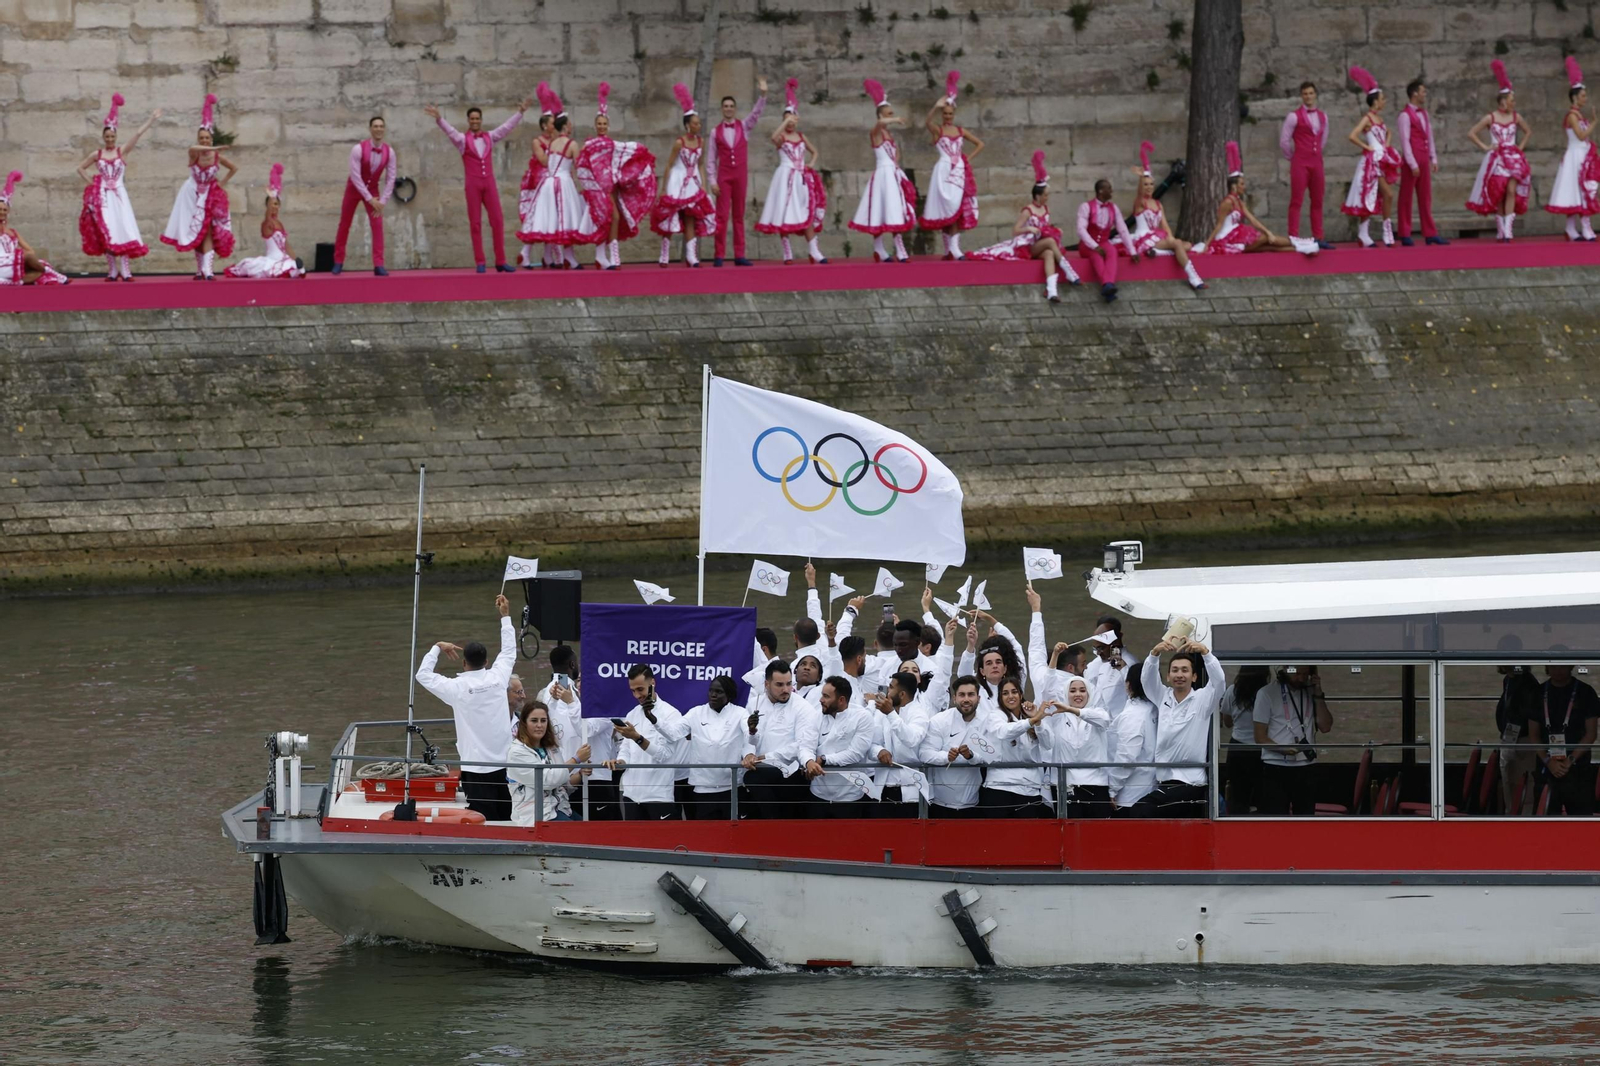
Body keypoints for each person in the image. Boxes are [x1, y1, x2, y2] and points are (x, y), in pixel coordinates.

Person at [415, 594, 518, 820]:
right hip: (505, 764)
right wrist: (505, 617)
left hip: (475, 767)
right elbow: (509, 651)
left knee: (481, 819)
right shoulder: (498, 678)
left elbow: (422, 675)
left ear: (464, 662)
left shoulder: (456, 688)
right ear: (487, 662)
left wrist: (437, 648)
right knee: (509, 816)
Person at [424, 97, 531, 273]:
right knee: (475, 223)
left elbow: (506, 128)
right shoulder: (462, 140)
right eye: (472, 119)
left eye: (477, 118)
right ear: (468, 121)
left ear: (481, 120)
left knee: (497, 220)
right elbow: (450, 131)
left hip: (489, 183)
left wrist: (520, 113)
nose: (475, 121)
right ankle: (480, 261)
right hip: (472, 184)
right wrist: (439, 119)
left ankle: (500, 260)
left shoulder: (489, 137)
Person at [968, 150, 1080, 302]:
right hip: (1027, 246)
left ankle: (1051, 291)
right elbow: (1015, 231)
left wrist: (1054, 229)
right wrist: (1029, 228)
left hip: (1038, 244)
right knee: (1051, 243)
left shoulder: (1045, 209)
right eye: (1046, 195)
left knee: (1049, 253)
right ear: (1038, 196)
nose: (1047, 198)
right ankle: (1069, 271)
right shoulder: (1028, 211)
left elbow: (1044, 228)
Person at [1135, 636, 1224, 816]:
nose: (1180, 675)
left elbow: (1219, 682)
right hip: (1164, 781)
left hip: (1191, 783)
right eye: (1175, 670)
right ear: (1168, 676)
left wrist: (1206, 653)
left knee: (1141, 810)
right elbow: (1147, 681)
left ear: (1194, 676)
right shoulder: (1163, 697)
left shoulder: (1203, 699)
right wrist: (1154, 654)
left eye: (1185, 670)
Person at [575, 82, 658, 270]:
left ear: (608, 126)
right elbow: (581, 164)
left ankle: (605, 256)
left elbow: (622, 158)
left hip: (610, 189)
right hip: (598, 190)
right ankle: (609, 257)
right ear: (595, 126)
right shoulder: (590, 145)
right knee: (610, 218)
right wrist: (591, 186)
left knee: (611, 218)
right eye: (599, 124)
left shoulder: (613, 145)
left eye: (604, 124)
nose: (602, 126)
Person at [77, 93, 159, 282]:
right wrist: (93, 184)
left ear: (115, 136)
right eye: (107, 136)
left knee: (123, 228)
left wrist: (151, 120)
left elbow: (137, 134)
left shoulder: (121, 151)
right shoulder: (97, 154)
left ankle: (126, 269)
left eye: (112, 136)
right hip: (104, 197)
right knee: (108, 229)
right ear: (103, 137)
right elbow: (80, 168)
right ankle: (112, 270)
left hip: (119, 195)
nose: (110, 139)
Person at [159, 93, 236, 280]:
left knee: (208, 228)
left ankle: (207, 269)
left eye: (207, 138)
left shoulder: (216, 156)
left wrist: (220, 184)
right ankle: (200, 268)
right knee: (195, 230)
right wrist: (213, 148)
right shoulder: (195, 153)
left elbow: (234, 168)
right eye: (201, 138)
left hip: (209, 195)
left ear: (210, 138)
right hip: (192, 194)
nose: (204, 141)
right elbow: (193, 149)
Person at [755, 78, 828, 264]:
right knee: (784, 212)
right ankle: (787, 252)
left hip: (801, 177)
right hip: (785, 176)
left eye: (793, 119)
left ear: (797, 119)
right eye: (787, 119)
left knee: (807, 212)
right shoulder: (781, 137)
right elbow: (773, 137)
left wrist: (811, 162)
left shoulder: (801, 136)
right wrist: (784, 120)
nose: (790, 123)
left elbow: (815, 151)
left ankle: (814, 251)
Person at [606, 663, 689, 821]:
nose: (637, 695)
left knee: (662, 845)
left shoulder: (671, 714)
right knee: (633, 845)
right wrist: (619, 761)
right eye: (633, 691)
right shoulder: (632, 714)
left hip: (658, 796)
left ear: (652, 683)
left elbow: (664, 756)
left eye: (640, 689)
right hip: (631, 795)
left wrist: (637, 737)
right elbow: (626, 749)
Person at [849, 78, 918, 263]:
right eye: (888, 114)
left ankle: (896, 248)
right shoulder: (877, 132)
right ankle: (881, 248)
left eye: (892, 113)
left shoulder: (888, 134)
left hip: (892, 174)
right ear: (881, 115)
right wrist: (893, 119)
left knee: (896, 209)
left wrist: (897, 163)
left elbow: (893, 155)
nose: (892, 116)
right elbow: (878, 127)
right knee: (880, 210)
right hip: (883, 175)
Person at [1201, 142, 1312, 256]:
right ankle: (1300, 243)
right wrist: (1207, 244)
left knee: (1269, 246)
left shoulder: (1239, 202)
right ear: (1234, 186)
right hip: (1228, 240)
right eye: (1242, 184)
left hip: (1237, 236)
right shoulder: (1227, 202)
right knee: (1265, 239)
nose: (1244, 187)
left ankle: (1301, 247)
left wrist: (1268, 232)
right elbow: (1219, 225)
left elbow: (1252, 220)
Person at [1466, 60, 1532, 242]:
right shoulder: (1491, 117)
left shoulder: (1516, 117)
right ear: (1503, 101)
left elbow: (1528, 131)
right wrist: (1486, 146)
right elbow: (1471, 133)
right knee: (1500, 192)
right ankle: (1501, 227)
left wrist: (1520, 147)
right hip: (1497, 158)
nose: (1514, 103)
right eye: (1511, 100)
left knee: (1511, 189)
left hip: (1513, 157)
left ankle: (1508, 229)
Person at [520, 88, 586, 271]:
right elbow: (580, 168)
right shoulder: (572, 144)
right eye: (570, 123)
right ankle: (569, 258)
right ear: (565, 126)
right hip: (563, 183)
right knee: (566, 220)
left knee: (546, 220)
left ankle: (546, 256)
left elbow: (549, 163)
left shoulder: (552, 144)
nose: (572, 126)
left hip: (548, 182)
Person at [1253, 666, 1333, 815]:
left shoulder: (1310, 692)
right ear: (1285, 670)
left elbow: (1325, 726)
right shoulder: (1266, 693)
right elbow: (1259, 737)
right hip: (1276, 766)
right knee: (1276, 818)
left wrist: (1318, 694)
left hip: (1306, 766)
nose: (1301, 679)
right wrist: (1281, 749)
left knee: (1305, 819)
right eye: (1296, 674)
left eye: (1305, 674)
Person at [919, 71, 983, 259]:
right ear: (942, 114)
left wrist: (967, 159)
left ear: (954, 114)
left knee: (956, 206)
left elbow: (980, 144)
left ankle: (955, 248)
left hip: (958, 171)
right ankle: (949, 249)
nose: (947, 117)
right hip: (943, 171)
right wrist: (935, 106)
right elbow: (927, 122)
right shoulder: (938, 130)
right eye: (945, 114)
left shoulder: (961, 130)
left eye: (950, 114)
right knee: (947, 207)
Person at [651, 83, 716, 268]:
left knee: (691, 216)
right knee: (671, 215)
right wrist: (664, 187)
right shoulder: (679, 143)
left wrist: (703, 185)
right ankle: (664, 253)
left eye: (699, 123)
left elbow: (701, 164)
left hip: (693, 181)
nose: (698, 125)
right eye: (695, 123)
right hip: (678, 179)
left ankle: (691, 255)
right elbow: (670, 164)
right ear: (688, 125)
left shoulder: (701, 142)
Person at [1126, 143, 1206, 290]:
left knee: (1185, 244)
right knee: (1178, 245)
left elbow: (1165, 225)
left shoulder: (1157, 204)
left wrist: (1171, 239)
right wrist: (1142, 175)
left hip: (1157, 237)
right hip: (1145, 238)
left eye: (1151, 184)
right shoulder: (1140, 202)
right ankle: (1193, 277)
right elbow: (1139, 193)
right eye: (1146, 185)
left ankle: (1159, 253)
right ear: (1141, 186)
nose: (1149, 187)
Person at [1524, 662, 1599, 816]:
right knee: (1545, 822)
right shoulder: (1538, 693)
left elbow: (1590, 734)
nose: (1558, 670)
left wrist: (1569, 761)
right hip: (1547, 768)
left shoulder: (1586, 692)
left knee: (1580, 821)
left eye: (1562, 666)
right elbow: (1534, 735)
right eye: (1554, 666)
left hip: (1578, 770)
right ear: (1547, 667)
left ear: (1571, 666)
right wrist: (1548, 762)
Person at [707, 77, 768, 267]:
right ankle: (719, 255)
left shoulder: (744, 126)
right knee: (721, 216)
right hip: (723, 177)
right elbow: (710, 158)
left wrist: (763, 95)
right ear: (722, 109)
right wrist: (712, 181)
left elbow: (756, 113)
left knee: (739, 215)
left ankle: (740, 254)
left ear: (734, 108)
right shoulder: (714, 132)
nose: (728, 108)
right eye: (725, 106)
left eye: (731, 106)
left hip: (740, 176)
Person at [919, 676, 998, 817]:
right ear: (954, 698)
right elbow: (925, 753)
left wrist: (971, 755)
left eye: (971, 695)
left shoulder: (989, 721)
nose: (966, 699)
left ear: (978, 698)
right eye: (962, 695)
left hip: (974, 803)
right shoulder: (940, 720)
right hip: (939, 803)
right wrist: (946, 757)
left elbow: (992, 755)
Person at [797, 676, 875, 816]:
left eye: (826, 696)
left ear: (841, 700)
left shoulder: (862, 717)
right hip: (818, 795)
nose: (821, 700)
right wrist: (808, 761)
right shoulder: (817, 716)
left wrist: (824, 759)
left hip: (850, 798)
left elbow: (855, 754)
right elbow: (805, 745)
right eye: (822, 695)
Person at [1340, 67, 1401, 248]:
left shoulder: (1379, 120)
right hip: (1371, 162)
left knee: (1375, 196)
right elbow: (1352, 135)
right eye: (1382, 99)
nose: (1384, 101)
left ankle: (1365, 233)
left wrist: (1387, 140)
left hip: (1380, 160)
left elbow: (1385, 141)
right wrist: (1368, 148)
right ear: (1375, 101)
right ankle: (1384, 232)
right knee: (1385, 194)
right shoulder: (1367, 118)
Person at [979, 675, 1054, 817]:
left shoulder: (1029, 716)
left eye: (1014, 692)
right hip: (999, 787)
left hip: (1029, 788)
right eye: (1005, 693)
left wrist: (1037, 722)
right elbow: (1003, 732)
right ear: (1000, 697)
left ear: (1021, 694)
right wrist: (1032, 720)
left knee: (1026, 836)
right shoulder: (995, 715)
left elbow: (1048, 744)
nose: (1010, 696)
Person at [742, 660, 807, 818]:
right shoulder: (753, 704)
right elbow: (747, 737)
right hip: (759, 774)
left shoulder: (802, 707)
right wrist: (749, 754)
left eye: (789, 684)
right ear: (766, 684)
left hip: (789, 775)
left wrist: (768, 757)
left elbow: (802, 744)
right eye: (779, 685)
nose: (786, 690)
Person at [332, 116, 396, 276]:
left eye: (381, 126)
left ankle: (379, 264)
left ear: (384, 129)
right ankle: (338, 261)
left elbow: (391, 177)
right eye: (375, 126)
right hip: (354, 189)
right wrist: (369, 199)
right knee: (345, 223)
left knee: (378, 225)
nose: (379, 129)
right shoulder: (358, 149)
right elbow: (355, 176)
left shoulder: (390, 152)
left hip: (374, 190)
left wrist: (382, 201)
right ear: (370, 129)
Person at [1043, 677, 1114, 818]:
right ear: (1065, 694)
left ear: (1089, 694)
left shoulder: (1098, 713)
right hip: (1065, 786)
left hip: (1096, 784)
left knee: (1096, 834)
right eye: (1073, 690)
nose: (1078, 694)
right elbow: (1047, 688)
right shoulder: (1058, 717)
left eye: (1082, 690)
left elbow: (1105, 721)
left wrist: (1071, 709)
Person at [1547, 57, 1600, 241]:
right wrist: (1594, 123)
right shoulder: (1572, 116)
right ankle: (1583, 227)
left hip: (1582, 154)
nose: (1585, 98)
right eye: (1583, 96)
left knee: (1580, 191)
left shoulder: (1579, 115)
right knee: (1578, 191)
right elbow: (1580, 135)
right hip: (1575, 156)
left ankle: (1572, 228)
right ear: (1575, 97)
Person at [868, 668, 933, 817]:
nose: (887, 691)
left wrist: (891, 714)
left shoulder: (919, 714)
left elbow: (911, 739)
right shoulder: (881, 713)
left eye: (891, 687)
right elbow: (870, 744)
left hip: (910, 792)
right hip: (882, 789)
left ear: (902, 694)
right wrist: (879, 752)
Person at [681, 675, 747, 819]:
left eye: (719, 691)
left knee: (733, 835)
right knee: (706, 837)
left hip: (732, 787)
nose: (713, 695)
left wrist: (753, 730)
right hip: (702, 789)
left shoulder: (740, 713)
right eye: (711, 690)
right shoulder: (696, 712)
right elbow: (672, 733)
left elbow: (751, 738)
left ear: (729, 695)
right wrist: (653, 720)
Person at [507, 700, 584, 825]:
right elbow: (546, 781)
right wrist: (575, 760)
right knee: (580, 836)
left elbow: (561, 783)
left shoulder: (552, 748)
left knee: (589, 831)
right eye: (534, 720)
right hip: (536, 816)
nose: (539, 725)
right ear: (524, 723)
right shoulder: (516, 753)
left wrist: (580, 775)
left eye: (543, 720)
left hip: (561, 810)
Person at [223, 164, 305, 279]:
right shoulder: (267, 223)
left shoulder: (279, 224)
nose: (274, 207)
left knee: (295, 267)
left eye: (277, 204)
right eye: (272, 204)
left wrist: (295, 258)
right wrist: (272, 196)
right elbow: (268, 216)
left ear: (280, 206)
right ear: (267, 206)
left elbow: (286, 245)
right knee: (277, 269)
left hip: (284, 258)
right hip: (272, 260)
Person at [1279, 80, 1332, 249]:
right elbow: (1284, 141)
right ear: (1301, 96)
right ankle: (1293, 236)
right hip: (1300, 161)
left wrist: (1315, 152)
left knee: (1317, 199)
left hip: (1316, 162)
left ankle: (1319, 236)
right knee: (1297, 200)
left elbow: (1323, 139)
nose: (1308, 96)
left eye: (1311, 93)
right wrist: (1292, 157)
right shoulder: (1293, 116)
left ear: (1315, 94)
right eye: (1305, 94)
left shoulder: (1323, 117)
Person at [1396, 79, 1447, 247]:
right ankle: (1404, 232)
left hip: (1424, 157)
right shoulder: (1405, 116)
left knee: (1425, 197)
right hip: (1413, 158)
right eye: (1423, 91)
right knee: (1406, 197)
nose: (1425, 94)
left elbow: (1429, 136)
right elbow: (1405, 141)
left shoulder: (1424, 114)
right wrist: (1412, 163)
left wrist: (1433, 158)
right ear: (1414, 94)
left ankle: (1430, 232)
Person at [0, 173, 71, 286]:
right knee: (33, 261)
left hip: (13, 262)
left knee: (40, 265)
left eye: (4, 210)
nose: (2, 212)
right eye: (0, 209)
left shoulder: (12, 232)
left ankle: (15, 282)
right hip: (2, 264)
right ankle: (55, 274)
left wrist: (19, 257)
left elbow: (29, 250)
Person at [1219, 664, 1271, 815]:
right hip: (1263, 748)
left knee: (1237, 793)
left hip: (1238, 748)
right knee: (1263, 792)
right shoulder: (1268, 693)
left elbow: (1227, 722)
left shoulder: (1232, 691)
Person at [1076, 178, 1137, 303]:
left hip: (1104, 242)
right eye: (1109, 188)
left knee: (1112, 252)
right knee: (1096, 255)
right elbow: (1081, 230)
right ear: (1100, 191)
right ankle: (1108, 285)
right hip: (1087, 244)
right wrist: (1094, 246)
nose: (1111, 191)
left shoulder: (1114, 208)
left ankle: (1108, 286)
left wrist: (1132, 251)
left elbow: (1123, 230)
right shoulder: (1086, 207)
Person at [1494, 657, 1542, 815]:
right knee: (1508, 785)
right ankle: (1510, 817)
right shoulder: (1508, 680)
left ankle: (1524, 820)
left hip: (1524, 742)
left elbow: (1530, 717)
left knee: (1524, 787)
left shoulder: (1528, 683)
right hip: (1508, 740)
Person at [517, 85, 557, 269]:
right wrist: (558, 153)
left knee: (552, 218)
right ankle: (525, 253)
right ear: (544, 125)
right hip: (539, 185)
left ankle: (548, 256)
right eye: (551, 123)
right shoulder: (537, 141)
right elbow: (542, 160)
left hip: (552, 183)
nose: (554, 126)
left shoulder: (556, 141)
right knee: (537, 218)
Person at [1110, 667, 1158, 815]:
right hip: (1149, 789)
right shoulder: (1156, 709)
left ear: (1128, 684)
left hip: (1129, 795)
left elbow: (1127, 756)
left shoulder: (1133, 714)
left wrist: (1112, 789)